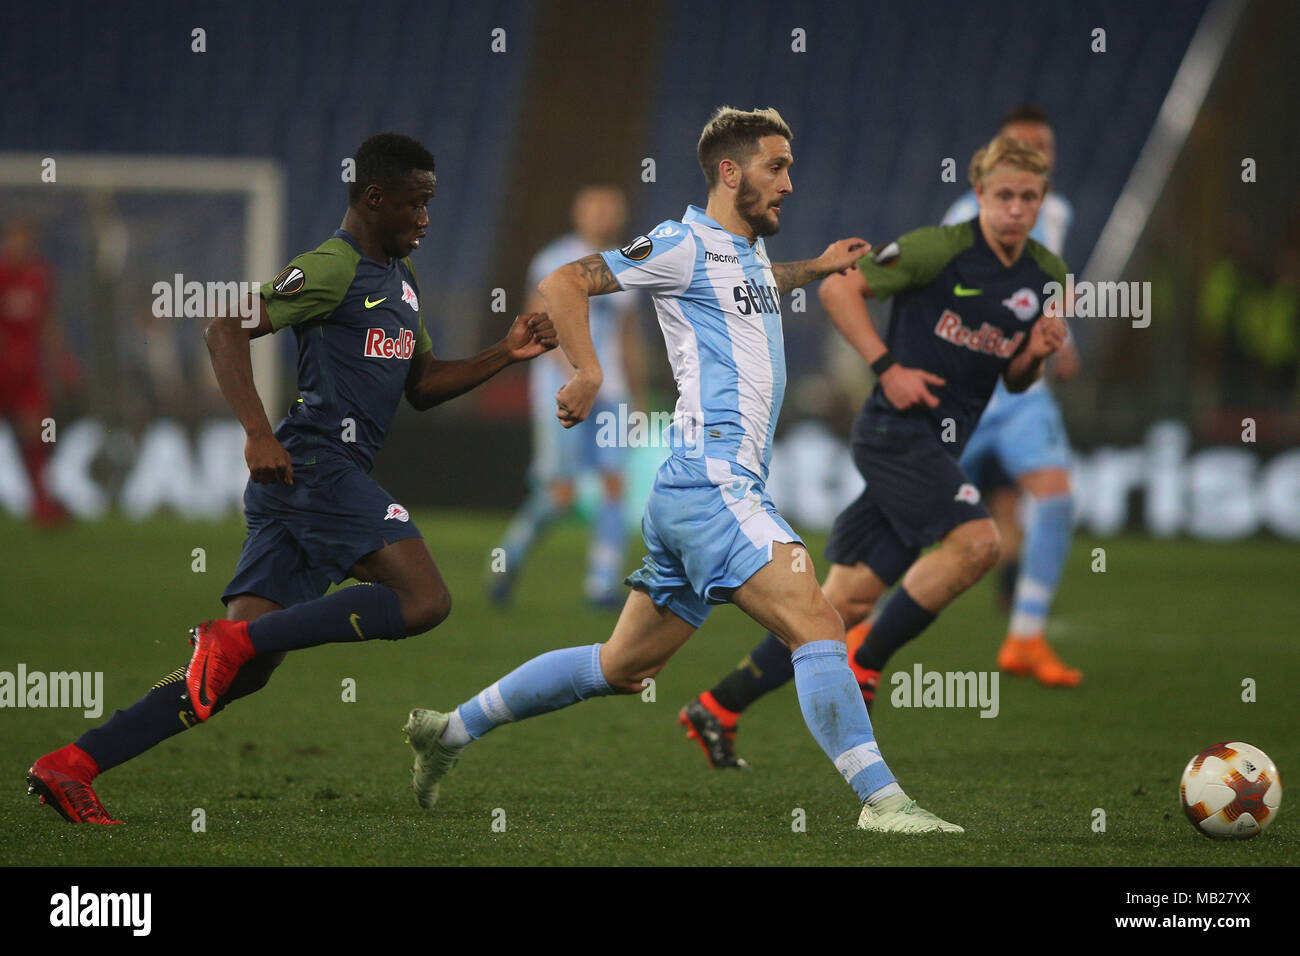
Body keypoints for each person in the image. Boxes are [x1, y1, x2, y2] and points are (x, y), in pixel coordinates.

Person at [402, 106, 964, 833]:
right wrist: (589, 370)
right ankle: (883, 803)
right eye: (777, 166)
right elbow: (566, 283)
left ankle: (448, 731)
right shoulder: (681, 241)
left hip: (695, 491)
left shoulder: (747, 250)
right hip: (712, 482)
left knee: (619, 666)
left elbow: (752, 285)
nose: (790, 182)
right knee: (818, 619)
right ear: (730, 172)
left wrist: (816, 269)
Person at [26, 132, 557, 824]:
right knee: (425, 599)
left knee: (239, 674)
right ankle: (233, 640)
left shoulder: (402, 279)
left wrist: (505, 353)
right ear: (375, 198)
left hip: (304, 487)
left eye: (431, 205)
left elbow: (422, 385)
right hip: (314, 468)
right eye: (417, 204)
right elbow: (224, 327)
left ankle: (73, 764)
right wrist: (256, 432)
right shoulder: (331, 268)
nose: (427, 218)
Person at [681, 134, 1068, 769]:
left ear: (1041, 202)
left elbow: (1015, 378)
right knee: (980, 542)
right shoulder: (939, 249)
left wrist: (1036, 352)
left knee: (839, 605)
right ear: (979, 196)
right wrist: (886, 367)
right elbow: (838, 290)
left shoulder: (1045, 274)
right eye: (1004, 196)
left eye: (1029, 198)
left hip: (942, 444)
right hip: (896, 433)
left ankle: (719, 705)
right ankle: (867, 663)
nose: (1016, 208)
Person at [934, 104, 1082, 686]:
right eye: (1022, 143)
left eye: (1043, 143)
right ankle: (852, 623)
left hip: (1024, 393)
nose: (1036, 151)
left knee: (1056, 498)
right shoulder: (965, 213)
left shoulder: (1058, 211)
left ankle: (1024, 636)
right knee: (906, 517)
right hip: (966, 389)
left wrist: (1056, 334)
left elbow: (1054, 278)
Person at [489, 186, 645, 609]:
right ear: (578, 214)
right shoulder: (553, 259)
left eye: (611, 210)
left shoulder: (629, 264)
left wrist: (637, 392)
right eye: (596, 210)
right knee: (561, 495)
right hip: (562, 392)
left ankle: (601, 585)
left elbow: (629, 337)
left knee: (616, 486)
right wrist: (575, 375)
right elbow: (536, 324)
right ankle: (508, 559)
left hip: (612, 396)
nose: (603, 218)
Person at [0, 215, 80, 525]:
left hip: (28, 370)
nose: (21, 246)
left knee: (37, 434)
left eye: (27, 240)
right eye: (16, 239)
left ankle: (41, 503)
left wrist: (64, 361)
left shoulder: (39, 274)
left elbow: (47, 321)